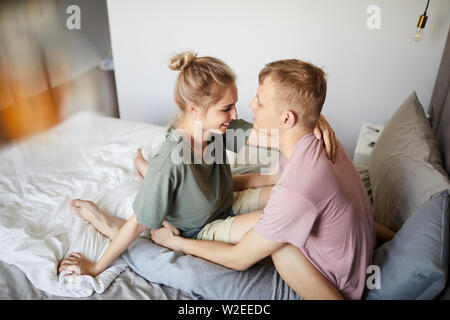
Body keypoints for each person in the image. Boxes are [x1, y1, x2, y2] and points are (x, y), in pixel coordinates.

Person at [58, 52, 342, 298]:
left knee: (279, 190)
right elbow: (136, 225)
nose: (234, 115)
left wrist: (315, 120)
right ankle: (118, 212)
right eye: (226, 109)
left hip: (223, 200)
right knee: (280, 222)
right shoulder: (172, 161)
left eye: (234, 105)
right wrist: (95, 267)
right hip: (203, 225)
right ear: (194, 110)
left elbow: (281, 131)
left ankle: (149, 177)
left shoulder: (217, 129)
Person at [151, 58, 383, 300]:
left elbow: (239, 259)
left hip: (336, 283)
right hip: (354, 258)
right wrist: (320, 119)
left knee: (278, 247)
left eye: (260, 102)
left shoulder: (296, 190)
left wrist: (177, 243)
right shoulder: (321, 141)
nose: (251, 105)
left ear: (287, 119)